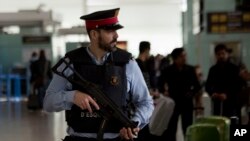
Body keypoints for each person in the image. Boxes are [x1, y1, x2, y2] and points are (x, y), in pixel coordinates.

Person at [43, 8, 154, 141]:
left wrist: (134, 123)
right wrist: (72, 96)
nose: (116, 36)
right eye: (110, 31)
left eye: (116, 31)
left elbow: (146, 103)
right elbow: (48, 103)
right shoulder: (71, 62)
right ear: (94, 34)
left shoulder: (127, 63)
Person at [158, 47, 200, 141]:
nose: (184, 58)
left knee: (188, 128)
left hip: (187, 102)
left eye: (185, 55)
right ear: (175, 58)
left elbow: (197, 86)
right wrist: (165, 93)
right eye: (182, 56)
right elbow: (160, 85)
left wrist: (191, 93)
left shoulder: (190, 69)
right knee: (171, 129)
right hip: (173, 102)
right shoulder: (168, 70)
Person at [205, 44, 244, 120]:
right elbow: (208, 86)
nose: (221, 56)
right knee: (218, 124)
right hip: (217, 104)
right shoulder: (213, 70)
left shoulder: (234, 69)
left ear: (227, 54)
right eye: (218, 54)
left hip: (232, 103)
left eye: (223, 53)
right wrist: (213, 93)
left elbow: (238, 86)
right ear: (215, 55)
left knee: (232, 124)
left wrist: (227, 95)